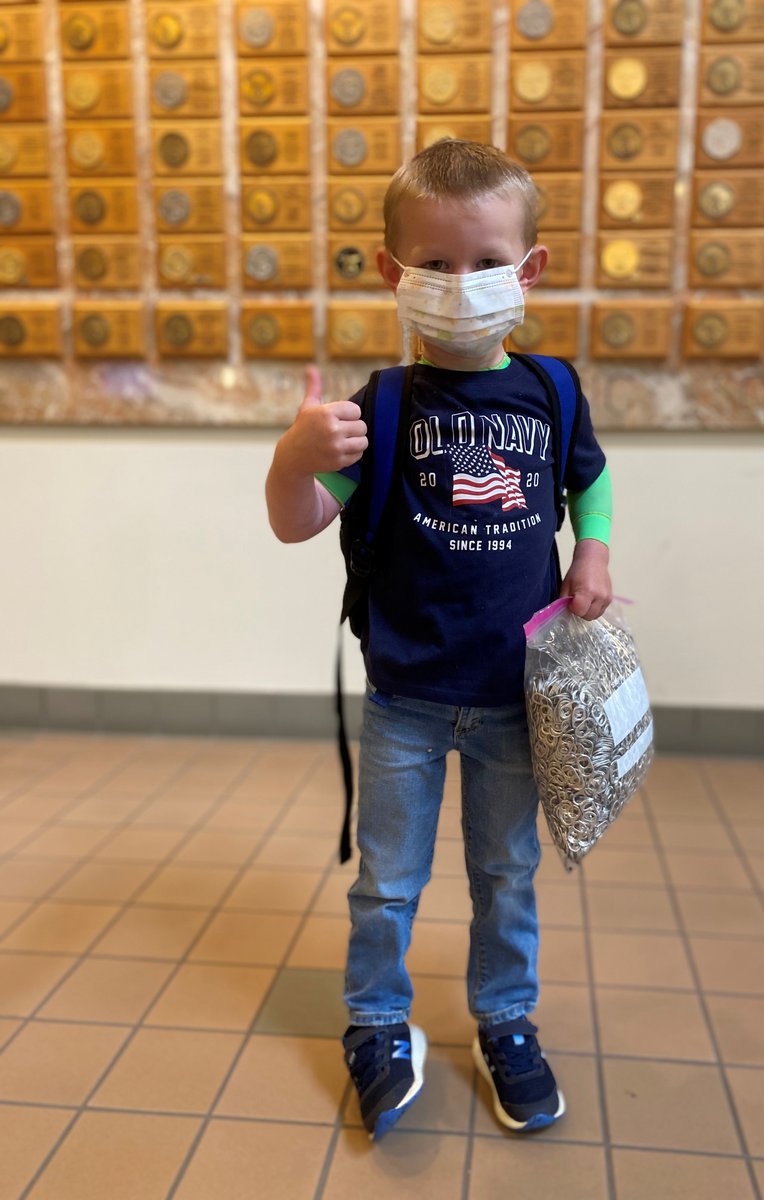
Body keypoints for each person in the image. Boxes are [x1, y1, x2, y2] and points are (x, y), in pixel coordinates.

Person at [265, 139, 613, 1141]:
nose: (462, 286)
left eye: (485, 260)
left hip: (514, 694)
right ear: (393, 271)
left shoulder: (550, 390)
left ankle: (506, 1020)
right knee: (389, 879)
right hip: (404, 697)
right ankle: (376, 1023)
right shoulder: (375, 406)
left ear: (529, 268)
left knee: (507, 873)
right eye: (437, 263)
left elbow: (590, 477)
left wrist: (592, 553)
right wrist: (293, 459)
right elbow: (298, 522)